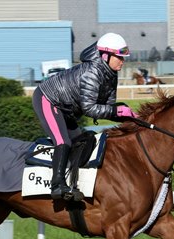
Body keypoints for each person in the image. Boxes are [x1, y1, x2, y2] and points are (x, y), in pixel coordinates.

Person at [32, 32, 137, 201]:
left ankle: (74, 182)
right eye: (119, 57)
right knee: (63, 141)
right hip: (47, 99)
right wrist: (117, 112)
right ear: (105, 55)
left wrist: (130, 116)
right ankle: (57, 185)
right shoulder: (92, 72)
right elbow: (90, 109)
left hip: (66, 108)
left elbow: (107, 107)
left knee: (81, 141)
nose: (123, 61)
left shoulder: (111, 74)